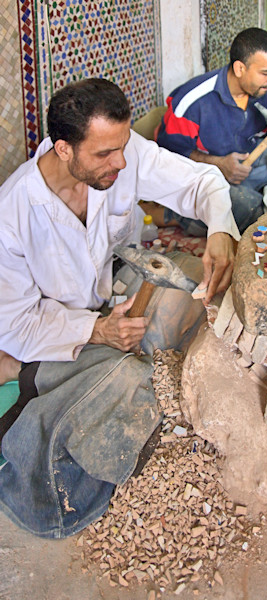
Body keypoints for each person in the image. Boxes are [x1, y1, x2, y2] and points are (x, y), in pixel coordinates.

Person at [0, 78, 239, 538]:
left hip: (113, 289)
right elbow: (16, 323)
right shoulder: (13, 214)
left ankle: (55, 370)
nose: (121, 162)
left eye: (123, 146)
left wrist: (220, 232)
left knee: (190, 289)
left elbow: (203, 181)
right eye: (105, 154)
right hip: (52, 327)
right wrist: (97, 330)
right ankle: (23, 376)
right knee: (125, 378)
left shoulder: (121, 156)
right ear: (63, 148)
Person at [154, 27, 267, 235]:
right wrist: (219, 164)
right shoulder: (193, 102)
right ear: (240, 68)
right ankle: (174, 216)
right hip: (213, 176)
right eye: (265, 73)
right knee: (247, 209)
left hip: (260, 160)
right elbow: (168, 157)